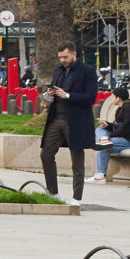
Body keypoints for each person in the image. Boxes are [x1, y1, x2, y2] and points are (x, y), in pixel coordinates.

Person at [39, 42, 98, 202]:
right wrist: (50, 93)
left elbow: (91, 97)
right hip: (56, 118)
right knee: (46, 154)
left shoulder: (87, 71)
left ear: (74, 54)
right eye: (60, 57)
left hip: (76, 120)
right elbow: (54, 93)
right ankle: (53, 193)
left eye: (65, 57)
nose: (63, 60)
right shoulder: (59, 70)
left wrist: (68, 95)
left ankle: (77, 198)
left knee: (77, 159)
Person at [99, 86, 130, 182]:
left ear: (118, 98)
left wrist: (110, 136)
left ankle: (100, 175)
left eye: (113, 96)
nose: (112, 99)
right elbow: (118, 127)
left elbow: (126, 128)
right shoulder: (121, 109)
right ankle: (104, 139)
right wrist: (108, 125)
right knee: (99, 129)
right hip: (123, 138)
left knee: (103, 146)